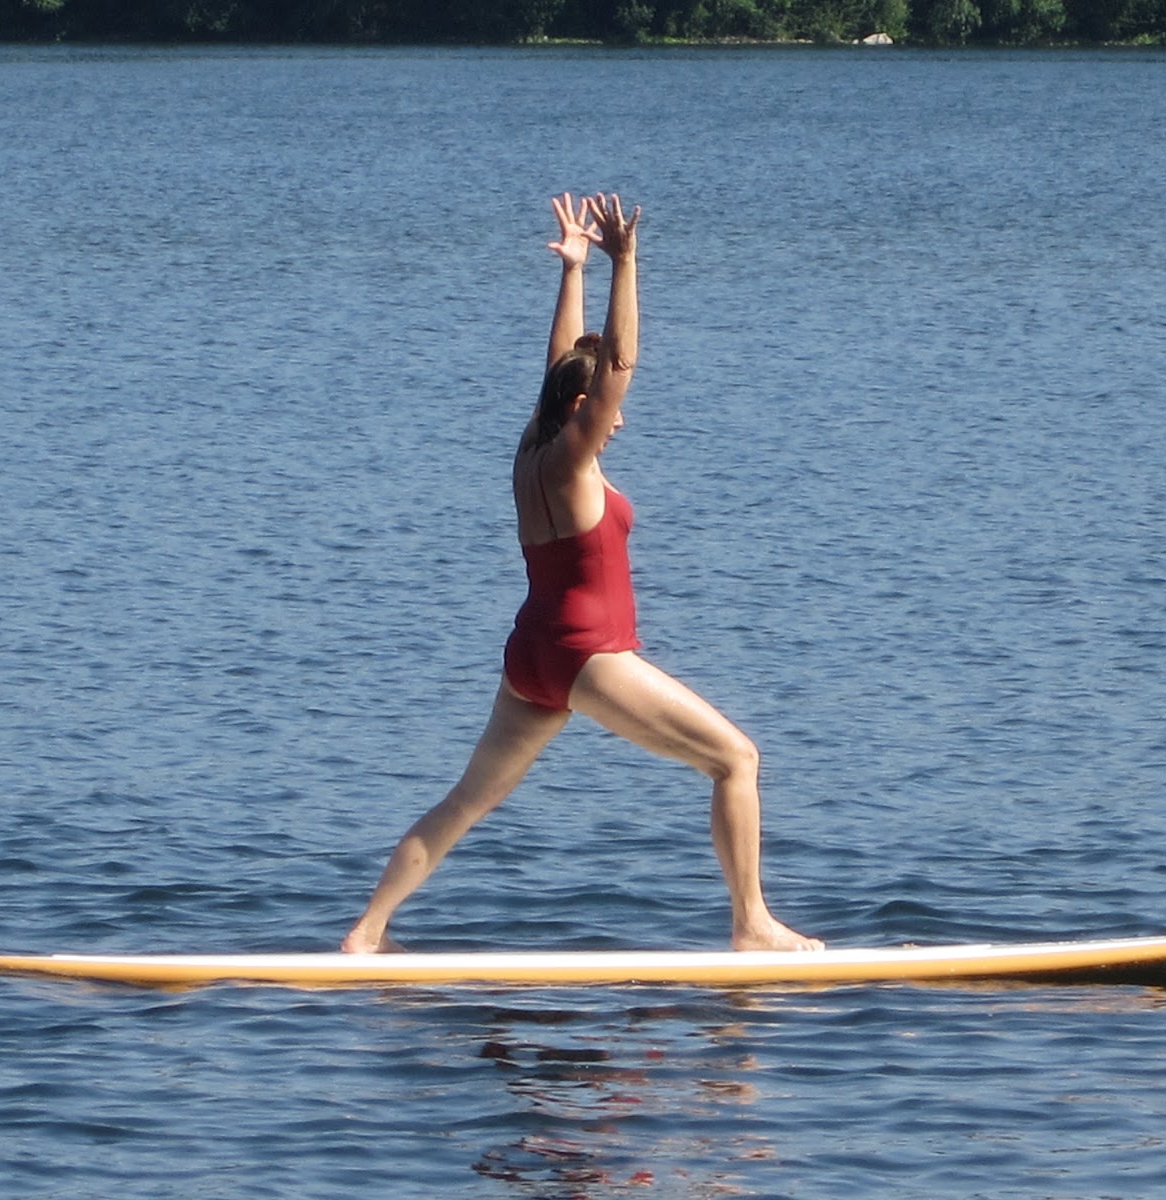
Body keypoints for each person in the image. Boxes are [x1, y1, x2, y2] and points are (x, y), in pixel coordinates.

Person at [342, 193, 821, 955]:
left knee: (467, 800)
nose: (620, 416)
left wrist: (571, 271)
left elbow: (562, 365)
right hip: (587, 654)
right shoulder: (570, 457)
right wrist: (624, 264)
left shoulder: (534, 447)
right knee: (736, 759)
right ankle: (751, 924)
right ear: (582, 405)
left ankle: (366, 933)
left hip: (529, 655)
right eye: (605, 405)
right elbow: (615, 366)